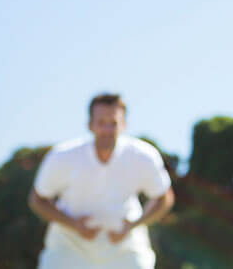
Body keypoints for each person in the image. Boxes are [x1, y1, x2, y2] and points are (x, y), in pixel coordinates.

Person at [27, 93, 175, 269]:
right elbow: (37, 200)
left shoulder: (143, 156)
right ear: (90, 125)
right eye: (101, 123)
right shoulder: (62, 157)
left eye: (113, 124)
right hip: (68, 247)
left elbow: (163, 198)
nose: (107, 130)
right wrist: (73, 224)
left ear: (124, 125)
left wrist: (133, 225)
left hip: (124, 248)